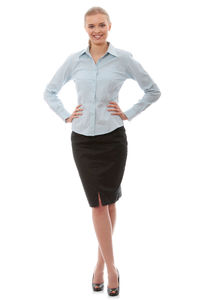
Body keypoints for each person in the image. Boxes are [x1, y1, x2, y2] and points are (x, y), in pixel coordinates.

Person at [43, 6, 161, 296]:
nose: (96, 30)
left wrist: (128, 113)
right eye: (91, 26)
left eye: (101, 25)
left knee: (107, 202)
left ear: (110, 26)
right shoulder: (75, 61)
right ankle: (111, 269)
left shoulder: (123, 59)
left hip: (112, 139)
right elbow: (50, 91)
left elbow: (153, 90)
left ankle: (101, 265)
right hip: (82, 139)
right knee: (97, 204)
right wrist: (66, 114)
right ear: (85, 29)